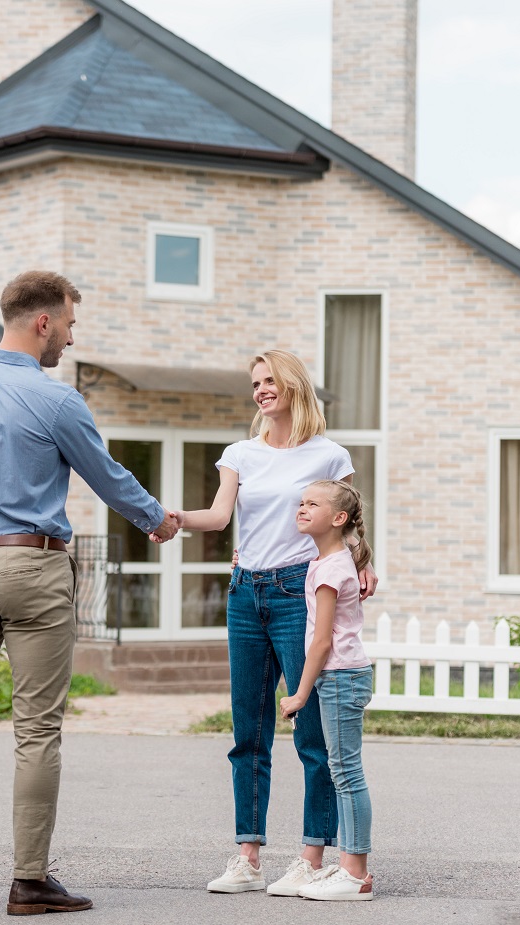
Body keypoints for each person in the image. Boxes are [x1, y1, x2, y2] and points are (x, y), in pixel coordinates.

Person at [0, 270, 178, 916]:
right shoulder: (55, 400)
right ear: (43, 322)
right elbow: (106, 477)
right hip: (31, 566)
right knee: (37, 729)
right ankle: (28, 881)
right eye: (70, 326)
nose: (71, 340)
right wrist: (157, 519)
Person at [162, 349, 377, 897]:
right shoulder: (240, 453)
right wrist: (173, 518)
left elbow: (349, 518)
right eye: (255, 383)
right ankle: (248, 856)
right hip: (245, 593)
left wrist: (366, 563)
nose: (261, 390)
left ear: (294, 385)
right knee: (248, 732)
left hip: (298, 592)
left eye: (270, 380)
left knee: (312, 736)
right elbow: (218, 517)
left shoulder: (329, 454)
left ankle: (311, 857)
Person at [279, 480, 375, 901]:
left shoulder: (334, 567)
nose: (301, 508)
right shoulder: (327, 560)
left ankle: (355, 874)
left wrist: (299, 694)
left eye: (312, 504)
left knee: (346, 773)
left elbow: (321, 640)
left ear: (338, 519)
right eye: (300, 502)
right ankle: (350, 866)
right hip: (338, 676)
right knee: (342, 771)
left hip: (340, 676)